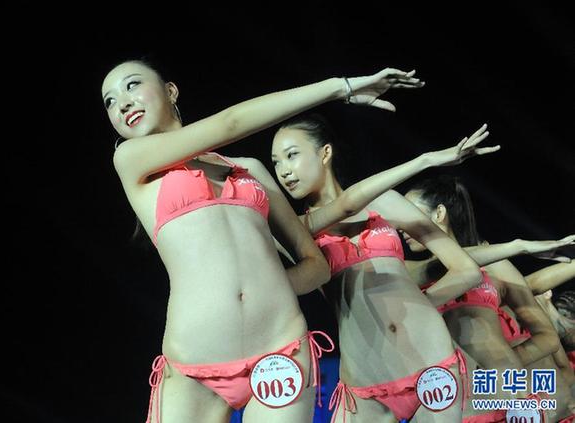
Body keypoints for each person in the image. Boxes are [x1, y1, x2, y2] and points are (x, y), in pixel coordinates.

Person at [102, 59, 422, 423]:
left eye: (132, 85)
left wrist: (262, 288)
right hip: (193, 363)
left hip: (280, 349)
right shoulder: (130, 160)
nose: (122, 103)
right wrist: (338, 87)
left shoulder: (250, 170)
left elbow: (315, 265)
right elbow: (230, 123)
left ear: (171, 91)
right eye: (109, 101)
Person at [270, 113, 494, 422]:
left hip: (431, 364)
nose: (283, 171)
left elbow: (466, 270)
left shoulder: (386, 203)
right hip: (364, 382)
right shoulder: (292, 231)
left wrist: (417, 306)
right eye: (275, 163)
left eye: (291, 155)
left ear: (325, 152)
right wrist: (426, 160)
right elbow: (347, 204)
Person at [404, 175, 574, 421]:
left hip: (507, 398)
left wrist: (499, 366)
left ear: (439, 213)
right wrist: (518, 246)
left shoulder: (496, 266)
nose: (400, 226)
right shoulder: (408, 270)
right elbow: (449, 266)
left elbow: (547, 336)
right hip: (447, 406)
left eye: (408, 214)